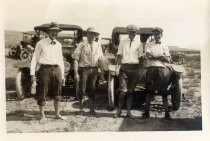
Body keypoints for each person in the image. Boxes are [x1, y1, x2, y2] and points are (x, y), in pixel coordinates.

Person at [30, 22, 65, 121]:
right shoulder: (40, 43)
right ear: (49, 32)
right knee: (42, 91)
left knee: (58, 92)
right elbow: (34, 59)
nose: (55, 33)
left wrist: (62, 76)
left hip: (57, 69)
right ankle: (42, 115)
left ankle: (57, 113)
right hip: (44, 69)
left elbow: (61, 60)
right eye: (53, 31)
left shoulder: (59, 45)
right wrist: (32, 73)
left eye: (57, 31)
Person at [114, 24, 144, 118]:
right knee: (123, 91)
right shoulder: (122, 42)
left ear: (136, 33)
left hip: (134, 69)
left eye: (134, 32)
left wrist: (140, 70)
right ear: (128, 32)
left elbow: (141, 58)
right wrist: (117, 67)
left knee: (130, 92)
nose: (132, 34)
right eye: (131, 32)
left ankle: (128, 112)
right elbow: (119, 55)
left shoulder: (139, 44)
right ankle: (118, 111)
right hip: (124, 68)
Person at [142, 27, 171, 119]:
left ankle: (167, 114)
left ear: (161, 35)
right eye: (155, 34)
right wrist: (161, 56)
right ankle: (147, 112)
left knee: (164, 92)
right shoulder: (149, 45)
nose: (157, 36)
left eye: (158, 34)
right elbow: (148, 56)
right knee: (149, 92)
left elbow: (168, 59)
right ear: (153, 35)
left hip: (162, 70)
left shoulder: (165, 46)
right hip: (151, 70)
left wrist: (156, 57)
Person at [74, 27, 104, 116]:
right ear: (87, 34)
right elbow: (75, 59)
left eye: (94, 34)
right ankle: (81, 110)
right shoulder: (81, 45)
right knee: (81, 89)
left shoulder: (98, 45)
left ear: (95, 36)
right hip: (84, 69)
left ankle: (92, 109)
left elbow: (101, 59)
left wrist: (102, 73)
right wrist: (76, 73)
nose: (92, 36)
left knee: (93, 89)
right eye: (90, 33)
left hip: (94, 70)